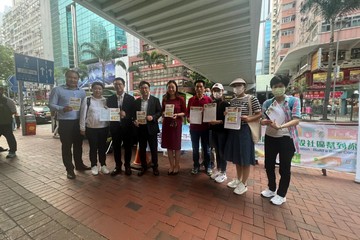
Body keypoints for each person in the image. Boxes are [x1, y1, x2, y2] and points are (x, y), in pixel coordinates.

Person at [260, 75, 301, 206]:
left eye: (280, 86)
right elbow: (261, 120)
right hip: (270, 137)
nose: (278, 89)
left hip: (286, 138)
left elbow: (296, 119)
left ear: (285, 87)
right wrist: (264, 122)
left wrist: (281, 126)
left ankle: (281, 194)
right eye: (275, 86)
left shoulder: (293, 101)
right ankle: (271, 188)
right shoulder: (267, 103)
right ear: (271, 88)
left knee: (284, 168)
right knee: (269, 165)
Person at [49, 70, 90, 179]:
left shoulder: (82, 92)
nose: (72, 80)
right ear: (66, 77)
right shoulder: (57, 90)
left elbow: (84, 107)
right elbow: (51, 105)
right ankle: (69, 169)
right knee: (66, 146)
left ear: (78, 79)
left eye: (75, 78)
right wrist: (62, 108)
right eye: (70, 77)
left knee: (78, 145)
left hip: (78, 122)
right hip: (65, 122)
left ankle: (79, 165)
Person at [224, 78, 261, 195]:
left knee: (244, 157)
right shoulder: (233, 100)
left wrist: (248, 118)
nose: (236, 88)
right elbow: (232, 114)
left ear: (244, 86)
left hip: (245, 130)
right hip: (234, 130)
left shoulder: (252, 98)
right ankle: (238, 179)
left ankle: (244, 183)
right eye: (234, 86)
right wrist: (227, 114)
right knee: (237, 157)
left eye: (239, 85)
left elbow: (259, 113)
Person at [107, 77, 135, 176]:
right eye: (116, 84)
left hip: (127, 127)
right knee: (116, 147)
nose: (118, 86)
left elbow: (134, 113)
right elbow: (107, 113)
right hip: (115, 127)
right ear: (114, 86)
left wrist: (126, 114)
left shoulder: (130, 98)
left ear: (124, 85)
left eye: (120, 84)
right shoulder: (110, 99)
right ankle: (118, 166)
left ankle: (127, 166)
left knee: (128, 147)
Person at [80, 82, 110, 176]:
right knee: (93, 148)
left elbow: (110, 114)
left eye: (100, 89)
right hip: (91, 128)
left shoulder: (105, 100)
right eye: (95, 88)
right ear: (92, 89)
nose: (98, 90)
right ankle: (94, 165)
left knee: (102, 148)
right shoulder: (87, 100)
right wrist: (82, 127)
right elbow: (82, 114)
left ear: (102, 90)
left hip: (103, 128)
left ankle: (103, 165)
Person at [134, 81, 162, 176]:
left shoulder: (155, 100)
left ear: (149, 89)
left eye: (146, 88)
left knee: (154, 149)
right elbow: (134, 114)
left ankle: (155, 167)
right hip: (141, 128)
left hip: (152, 128)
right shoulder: (136, 101)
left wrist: (153, 117)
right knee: (142, 149)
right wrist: (135, 120)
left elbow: (159, 112)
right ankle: (143, 167)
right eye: (142, 88)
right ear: (140, 89)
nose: (144, 89)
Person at [186, 80, 213, 175]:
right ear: (195, 88)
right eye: (197, 87)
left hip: (205, 129)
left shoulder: (208, 100)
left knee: (206, 149)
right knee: (195, 149)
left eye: (201, 86)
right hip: (194, 129)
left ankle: (208, 166)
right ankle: (196, 166)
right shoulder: (191, 100)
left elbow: (212, 114)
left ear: (204, 88)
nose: (199, 88)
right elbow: (187, 113)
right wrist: (188, 118)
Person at [161, 80, 186, 175]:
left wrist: (177, 114)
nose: (171, 89)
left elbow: (185, 112)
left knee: (176, 146)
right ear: (167, 88)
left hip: (176, 125)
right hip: (167, 125)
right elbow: (162, 112)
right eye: (169, 87)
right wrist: (163, 113)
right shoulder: (164, 99)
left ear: (176, 88)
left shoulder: (180, 99)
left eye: (172, 87)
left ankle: (177, 165)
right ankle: (171, 165)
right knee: (169, 146)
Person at [209, 83, 229, 183]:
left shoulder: (226, 104)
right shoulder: (212, 104)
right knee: (217, 151)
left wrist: (219, 121)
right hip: (214, 131)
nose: (216, 93)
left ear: (222, 91)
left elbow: (229, 119)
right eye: (214, 91)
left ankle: (223, 172)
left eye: (218, 90)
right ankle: (219, 169)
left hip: (223, 132)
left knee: (222, 152)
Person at [0, 86, 17, 158]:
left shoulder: (8, 101)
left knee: (9, 137)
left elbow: (14, 112)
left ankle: (12, 151)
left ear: (2, 91)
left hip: (6, 123)